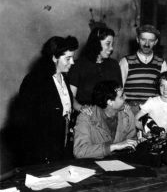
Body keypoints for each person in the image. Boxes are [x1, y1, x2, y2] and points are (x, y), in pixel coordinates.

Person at [17, 35, 79, 165]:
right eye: (68, 58)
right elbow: (26, 121)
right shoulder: (34, 81)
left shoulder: (65, 79)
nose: (72, 62)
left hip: (62, 146)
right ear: (54, 58)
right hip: (42, 150)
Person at [73, 80, 137, 159]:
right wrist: (112, 147)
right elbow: (80, 151)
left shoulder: (127, 113)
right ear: (110, 102)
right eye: (121, 96)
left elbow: (131, 142)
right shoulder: (86, 117)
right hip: (95, 166)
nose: (126, 97)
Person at [69, 27, 122, 115]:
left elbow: (119, 93)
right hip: (86, 115)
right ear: (96, 43)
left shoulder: (114, 65)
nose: (111, 48)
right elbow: (71, 96)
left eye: (112, 44)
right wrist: (81, 108)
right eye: (108, 44)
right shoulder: (78, 65)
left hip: (110, 115)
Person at [120, 24, 167, 114]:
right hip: (130, 110)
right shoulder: (126, 61)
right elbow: (119, 89)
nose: (146, 44)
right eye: (143, 40)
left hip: (152, 110)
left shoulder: (161, 63)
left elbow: (165, 90)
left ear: (156, 42)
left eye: (151, 41)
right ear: (137, 39)